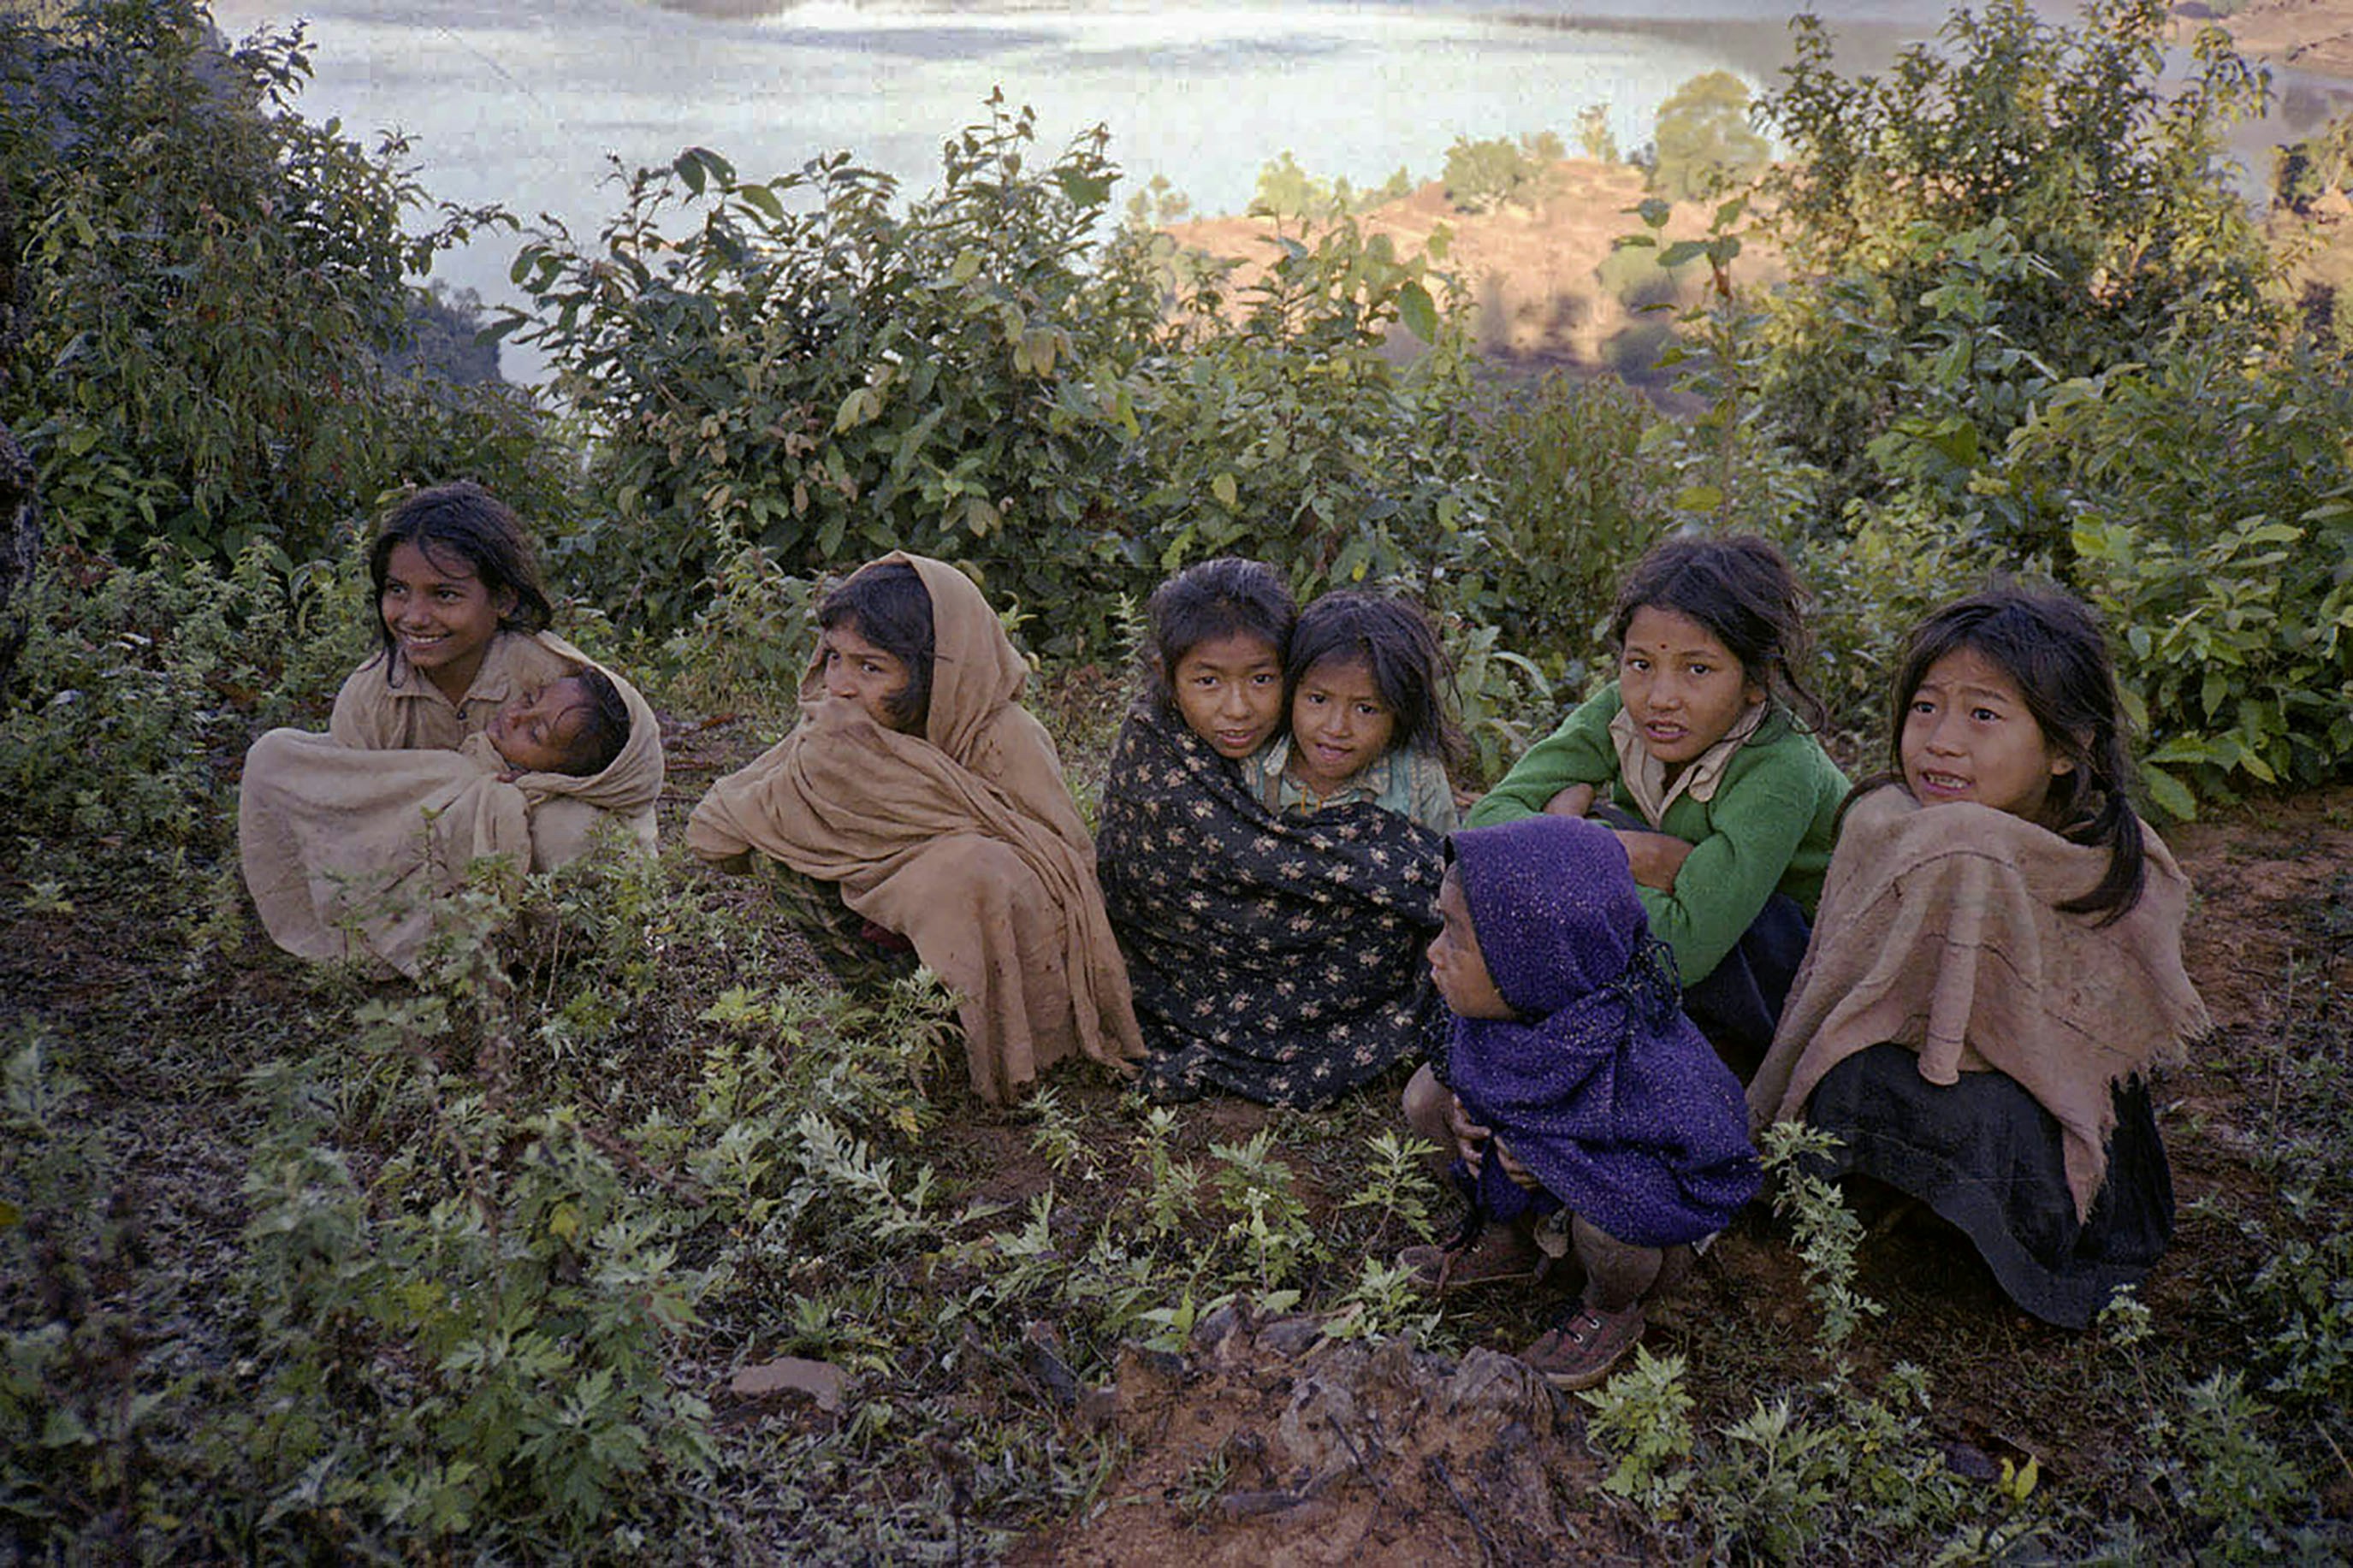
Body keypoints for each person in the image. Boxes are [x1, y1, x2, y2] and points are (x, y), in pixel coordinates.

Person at [1747, 585, 2210, 1328]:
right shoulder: (1885, 821)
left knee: (1988, 1123)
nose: (1941, 741)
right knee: (1856, 1077)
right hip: (1905, 1064)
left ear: (2068, 748)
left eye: (1984, 716)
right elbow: (1835, 991)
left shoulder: (2109, 859)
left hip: (2046, 1117)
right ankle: (1896, 1210)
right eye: (1927, 707)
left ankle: (1986, 1247)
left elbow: (2101, 1050)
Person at [1402, 532, 1845, 1287]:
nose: (1660, 695)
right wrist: (1619, 850)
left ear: (1755, 680)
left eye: (1697, 669)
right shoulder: (1620, 712)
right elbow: (1483, 834)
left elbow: (1689, 945)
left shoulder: (1782, 767)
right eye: (1641, 663)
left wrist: (1575, 850)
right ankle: (1506, 1215)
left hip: (1761, 975)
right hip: (1659, 942)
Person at [686, 553, 1144, 1106]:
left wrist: (925, 879)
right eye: (834, 658)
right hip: (892, 944)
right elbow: (720, 827)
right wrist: (857, 865)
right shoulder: (838, 732)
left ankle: (1001, 1053)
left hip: (996, 945)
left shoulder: (1003, 737)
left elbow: (1063, 868)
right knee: (777, 841)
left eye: (871, 667)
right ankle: (891, 1015)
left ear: (936, 671)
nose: (841, 684)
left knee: (967, 872)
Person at [239, 483, 664, 975]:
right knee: (273, 757)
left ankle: (549, 956)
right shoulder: (372, 694)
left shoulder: (549, 672)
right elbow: (356, 819)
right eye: (398, 590)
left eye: (445, 595)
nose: (415, 617)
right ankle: (428, 949)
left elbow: (632, 778)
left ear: (502, 599)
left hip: (531, 871)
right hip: (427, 868)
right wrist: (457, 794)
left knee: (568, 830)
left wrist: (518, 795)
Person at [1422, 815, 1761, 1389]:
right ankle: (1505, 1238)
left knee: (1613, 1220)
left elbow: (1714, 1170)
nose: (1434, 952)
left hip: (1640, 1227)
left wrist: (1553, 1163)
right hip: (1545, 1193)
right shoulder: (1507, 1006)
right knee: (1426, 1096)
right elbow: (1468, 1067)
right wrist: (1466, 1110)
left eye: (1455, 936)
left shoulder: (1649, 1061)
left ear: (1532, 960)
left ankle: (1611, 1308)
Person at [1096, 559, 1448, 1107]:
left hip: (1330, 956)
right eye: (1208, 682)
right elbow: (1162, 885)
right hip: (1185, 969)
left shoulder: (1351, 748)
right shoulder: (1155, 751)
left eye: (1262, 680)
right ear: (1168, 676)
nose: (1238, 710)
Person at [1245, 591, 1462, 831]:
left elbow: (1444, 861)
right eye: (1318, 699)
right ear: (1291, 692)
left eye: (1365, 709)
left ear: (1399, 712)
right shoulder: (1252, 766)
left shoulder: (1418, 779)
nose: (1336, 728)